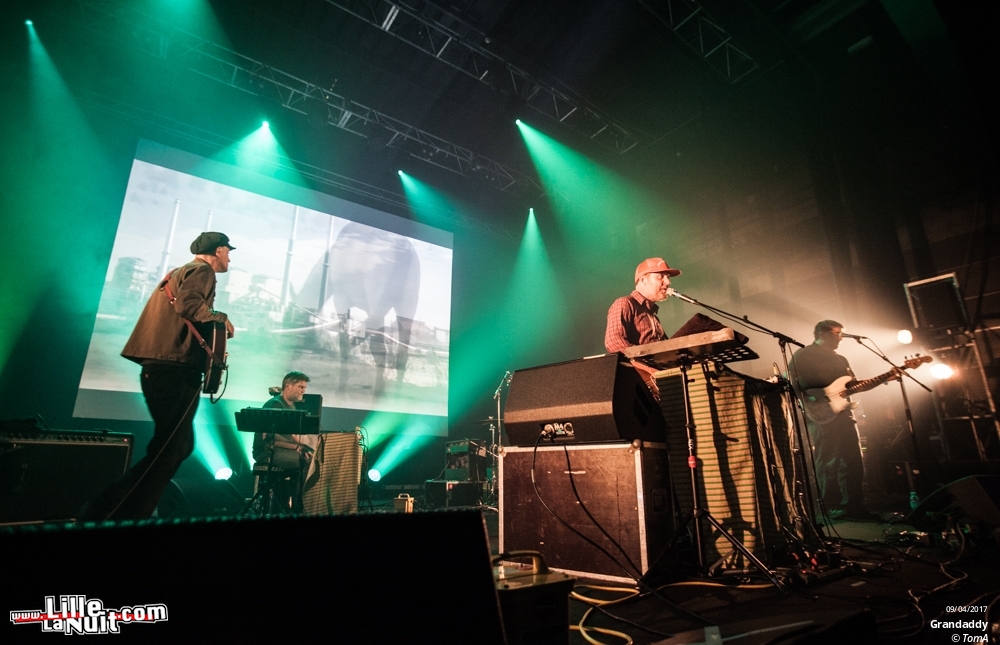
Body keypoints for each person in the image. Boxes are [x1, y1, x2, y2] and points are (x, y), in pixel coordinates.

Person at [79, 232, 235, 521]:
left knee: (177, 446)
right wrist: (221, 318)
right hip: (174, 369)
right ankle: (109, 512)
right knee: (170, 449)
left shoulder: (179, 272)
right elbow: (189, 306)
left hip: (163, 368)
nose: (230, 258)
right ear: (218, 249)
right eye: (228, 251)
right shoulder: (202, 271)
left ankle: (118, 511)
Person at [788, 320, 879, 521]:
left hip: (844, 414)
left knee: (854, 461)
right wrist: (810, 399)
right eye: (837, 333)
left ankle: (853, 505)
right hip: (820, 415)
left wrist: (886, 377)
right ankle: (829, 507)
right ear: (822, 333)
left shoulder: (841, 359)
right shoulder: (804, 355)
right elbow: (793, 382)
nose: (840, 338)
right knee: (828, 461)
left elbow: (852, 385)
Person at [605, 258, 682, 394]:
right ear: (643, 280)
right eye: (660, 276)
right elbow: (614, 342)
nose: (668, 282)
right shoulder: (625, 303)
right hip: (643, 387)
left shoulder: (652, 316)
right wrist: (650, 371)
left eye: (668, 277)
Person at [252, 371, 318, 513]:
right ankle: (300, 507)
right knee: (306, 461)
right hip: (266, 451)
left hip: (281, 449)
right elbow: (271, 438)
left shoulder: (291, 406)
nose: (303, 390)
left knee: (313, 457)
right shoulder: (275, 404)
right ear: (288, 386)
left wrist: (308, 446)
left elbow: (291, 435)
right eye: (300, 387)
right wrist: (297, 447)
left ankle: (301, 502)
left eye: (304, 388)